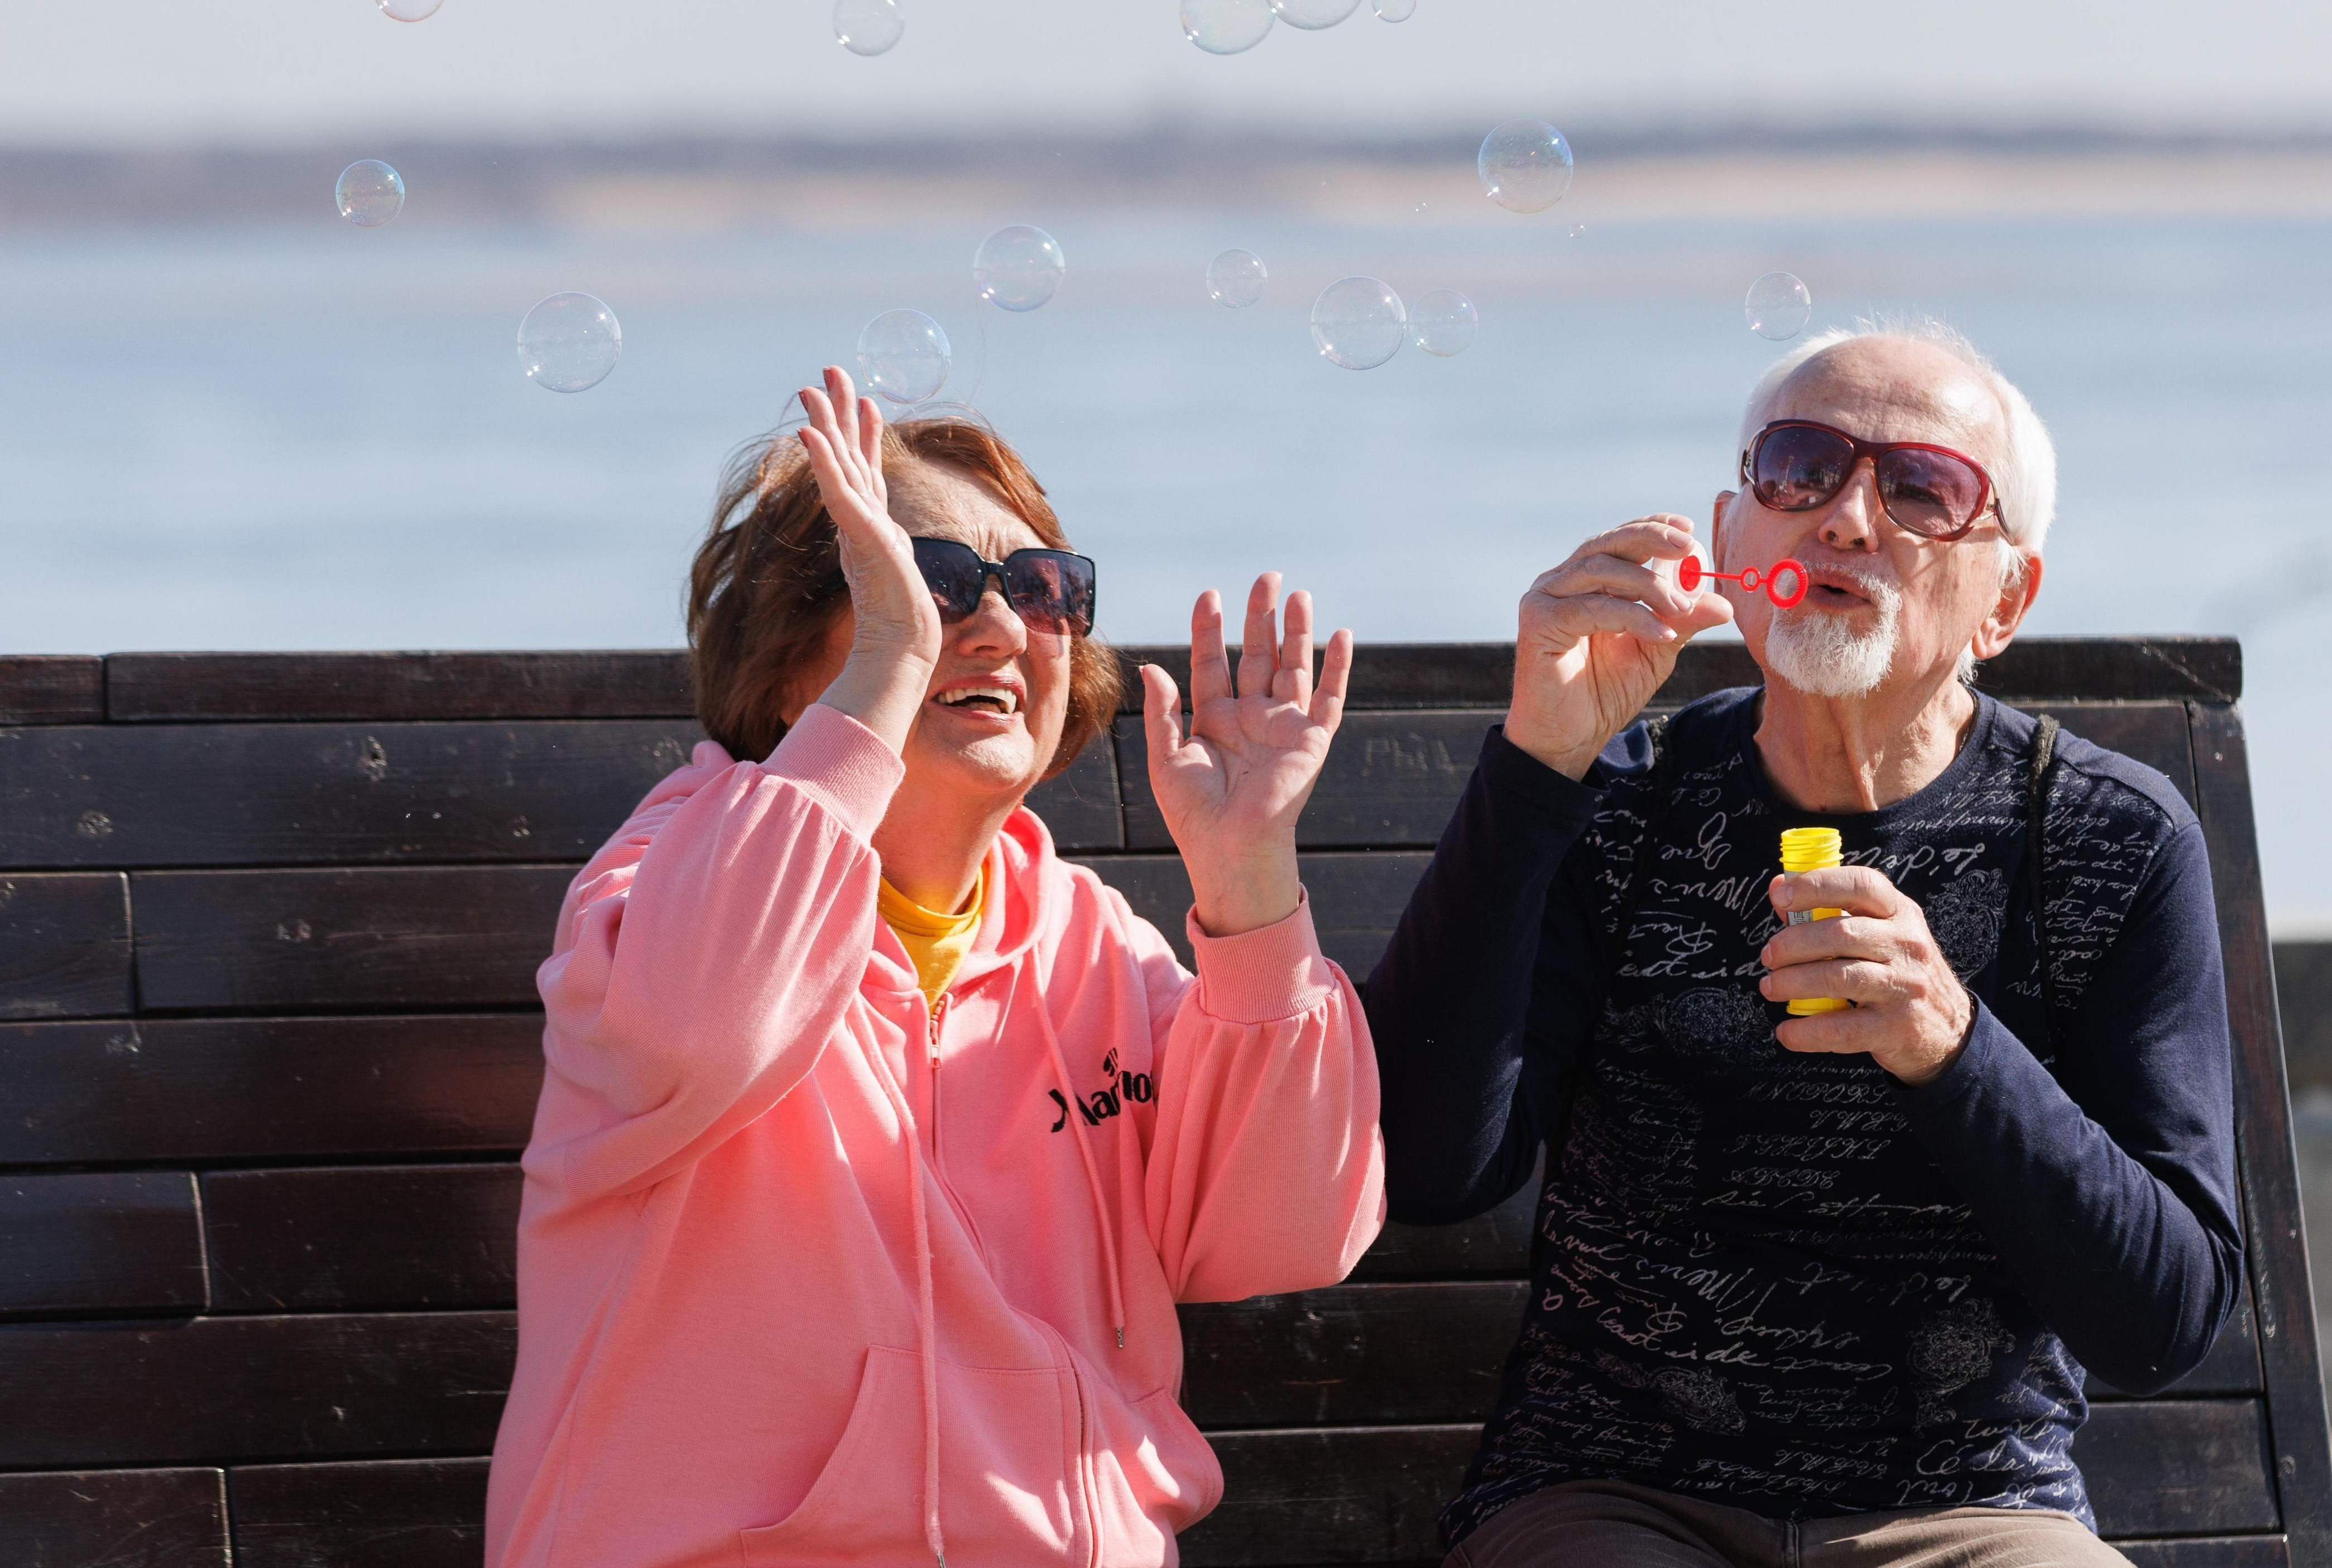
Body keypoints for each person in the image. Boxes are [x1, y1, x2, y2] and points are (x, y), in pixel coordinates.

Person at [1366, 323, 2243, 1567]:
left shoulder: (2106, 839)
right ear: (1730, 543)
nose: (1842, 518)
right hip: (1613, 1493)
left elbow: (2163, 1318)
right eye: (1800, 466)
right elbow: (1432, 1167)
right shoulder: (1613, 795)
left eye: (1921, 488)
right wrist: (1535, 762)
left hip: (1969, 1505)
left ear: (2007, 599)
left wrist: (1954, 1049)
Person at [484, 369, 1385, 1567]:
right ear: (795, 651)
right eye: (932, 582)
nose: (1003, 624)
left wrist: (1249, 879)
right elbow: (704, 1027)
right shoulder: (656, 886)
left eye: (1041, 588)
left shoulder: (1091, 942)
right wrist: (885, 671)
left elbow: (1285, 1231)